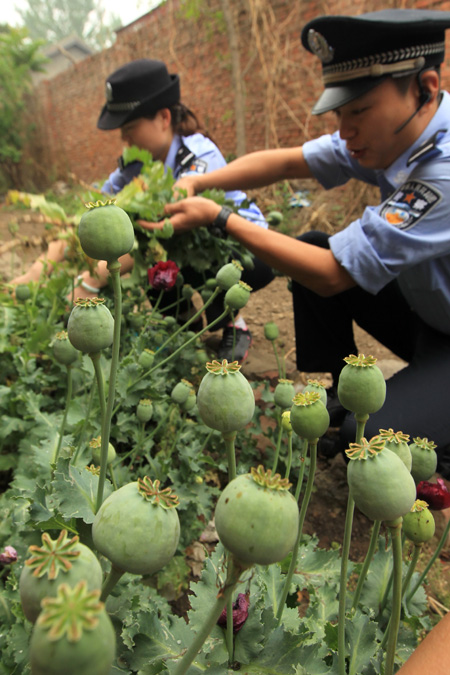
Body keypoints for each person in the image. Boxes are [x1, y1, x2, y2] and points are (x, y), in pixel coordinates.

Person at [139, 8, 450, 478]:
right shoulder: (396, 134)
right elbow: (287, 163)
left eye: (358, 111)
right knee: (309, 245)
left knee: (365, 444)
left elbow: (331, 276)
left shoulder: (442, 170)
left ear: (425, 89)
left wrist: (222, 218)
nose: (345, 131)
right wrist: (199, 184)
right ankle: (342, 390)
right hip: (430, 322)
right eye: (339, 114)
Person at [12, 59, 274, 362]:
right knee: (155, 263)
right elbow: (94, 214)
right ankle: (182, 321)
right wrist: (39, 270)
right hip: (187, 251)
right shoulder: (134, 166)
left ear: (163, 118)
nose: (125, 140)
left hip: (248, 252)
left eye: (130, 129)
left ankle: (232, 323)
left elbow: (150, 231)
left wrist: (90, 281)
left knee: (157, 248)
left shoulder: (197, 154)